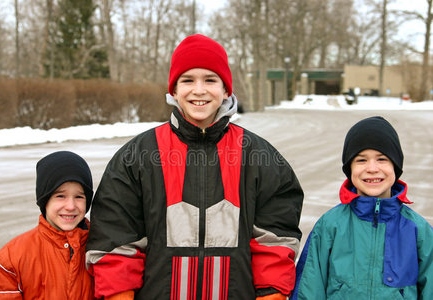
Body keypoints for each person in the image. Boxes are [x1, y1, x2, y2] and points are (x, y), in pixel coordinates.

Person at [85, 34, 304, 300]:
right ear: (174, 90)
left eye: (210, 80)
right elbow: (115, 239)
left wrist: (271, 295)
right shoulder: (137, 156)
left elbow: (276, 241)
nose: (199, 90)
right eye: (188, 80)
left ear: (226, 90)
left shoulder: (259, 156)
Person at [290, 116, 433, 299]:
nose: (372, 168)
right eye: (361, 160)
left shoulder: (419, 231)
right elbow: (308, 290)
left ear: (395, 167)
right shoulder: (329, 226)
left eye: (382, 159)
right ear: (350, 169)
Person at [0, 151, 95, 299]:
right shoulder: (13, 257)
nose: (70, 206)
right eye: (60, 196)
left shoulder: (102, 247)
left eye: (79, 196)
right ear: (45, 200)